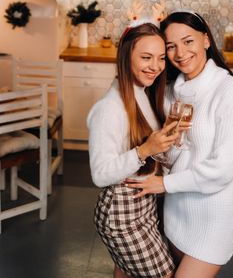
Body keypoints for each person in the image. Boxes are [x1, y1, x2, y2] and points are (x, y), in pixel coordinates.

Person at [126, 11, 233, 278]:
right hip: (175, 213)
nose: (180, 53)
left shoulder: (228, 90)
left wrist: (164, 184)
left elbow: (222, 170)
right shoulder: (171, 92)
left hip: (211, 218)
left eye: (188, 41)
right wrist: (164, 144)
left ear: (206, 40)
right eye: (170, 46)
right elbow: (174, 157)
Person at [87, 23, 188, 278]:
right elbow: (99, 175)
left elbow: (144, 148)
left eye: (161, 58)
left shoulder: (141, 92)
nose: (156, 66)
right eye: (146, 57)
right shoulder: (109, 109)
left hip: (144, 208)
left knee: (126, 273)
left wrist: (166, 139)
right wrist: (144, 150)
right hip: (121, 218)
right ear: (126, 56)